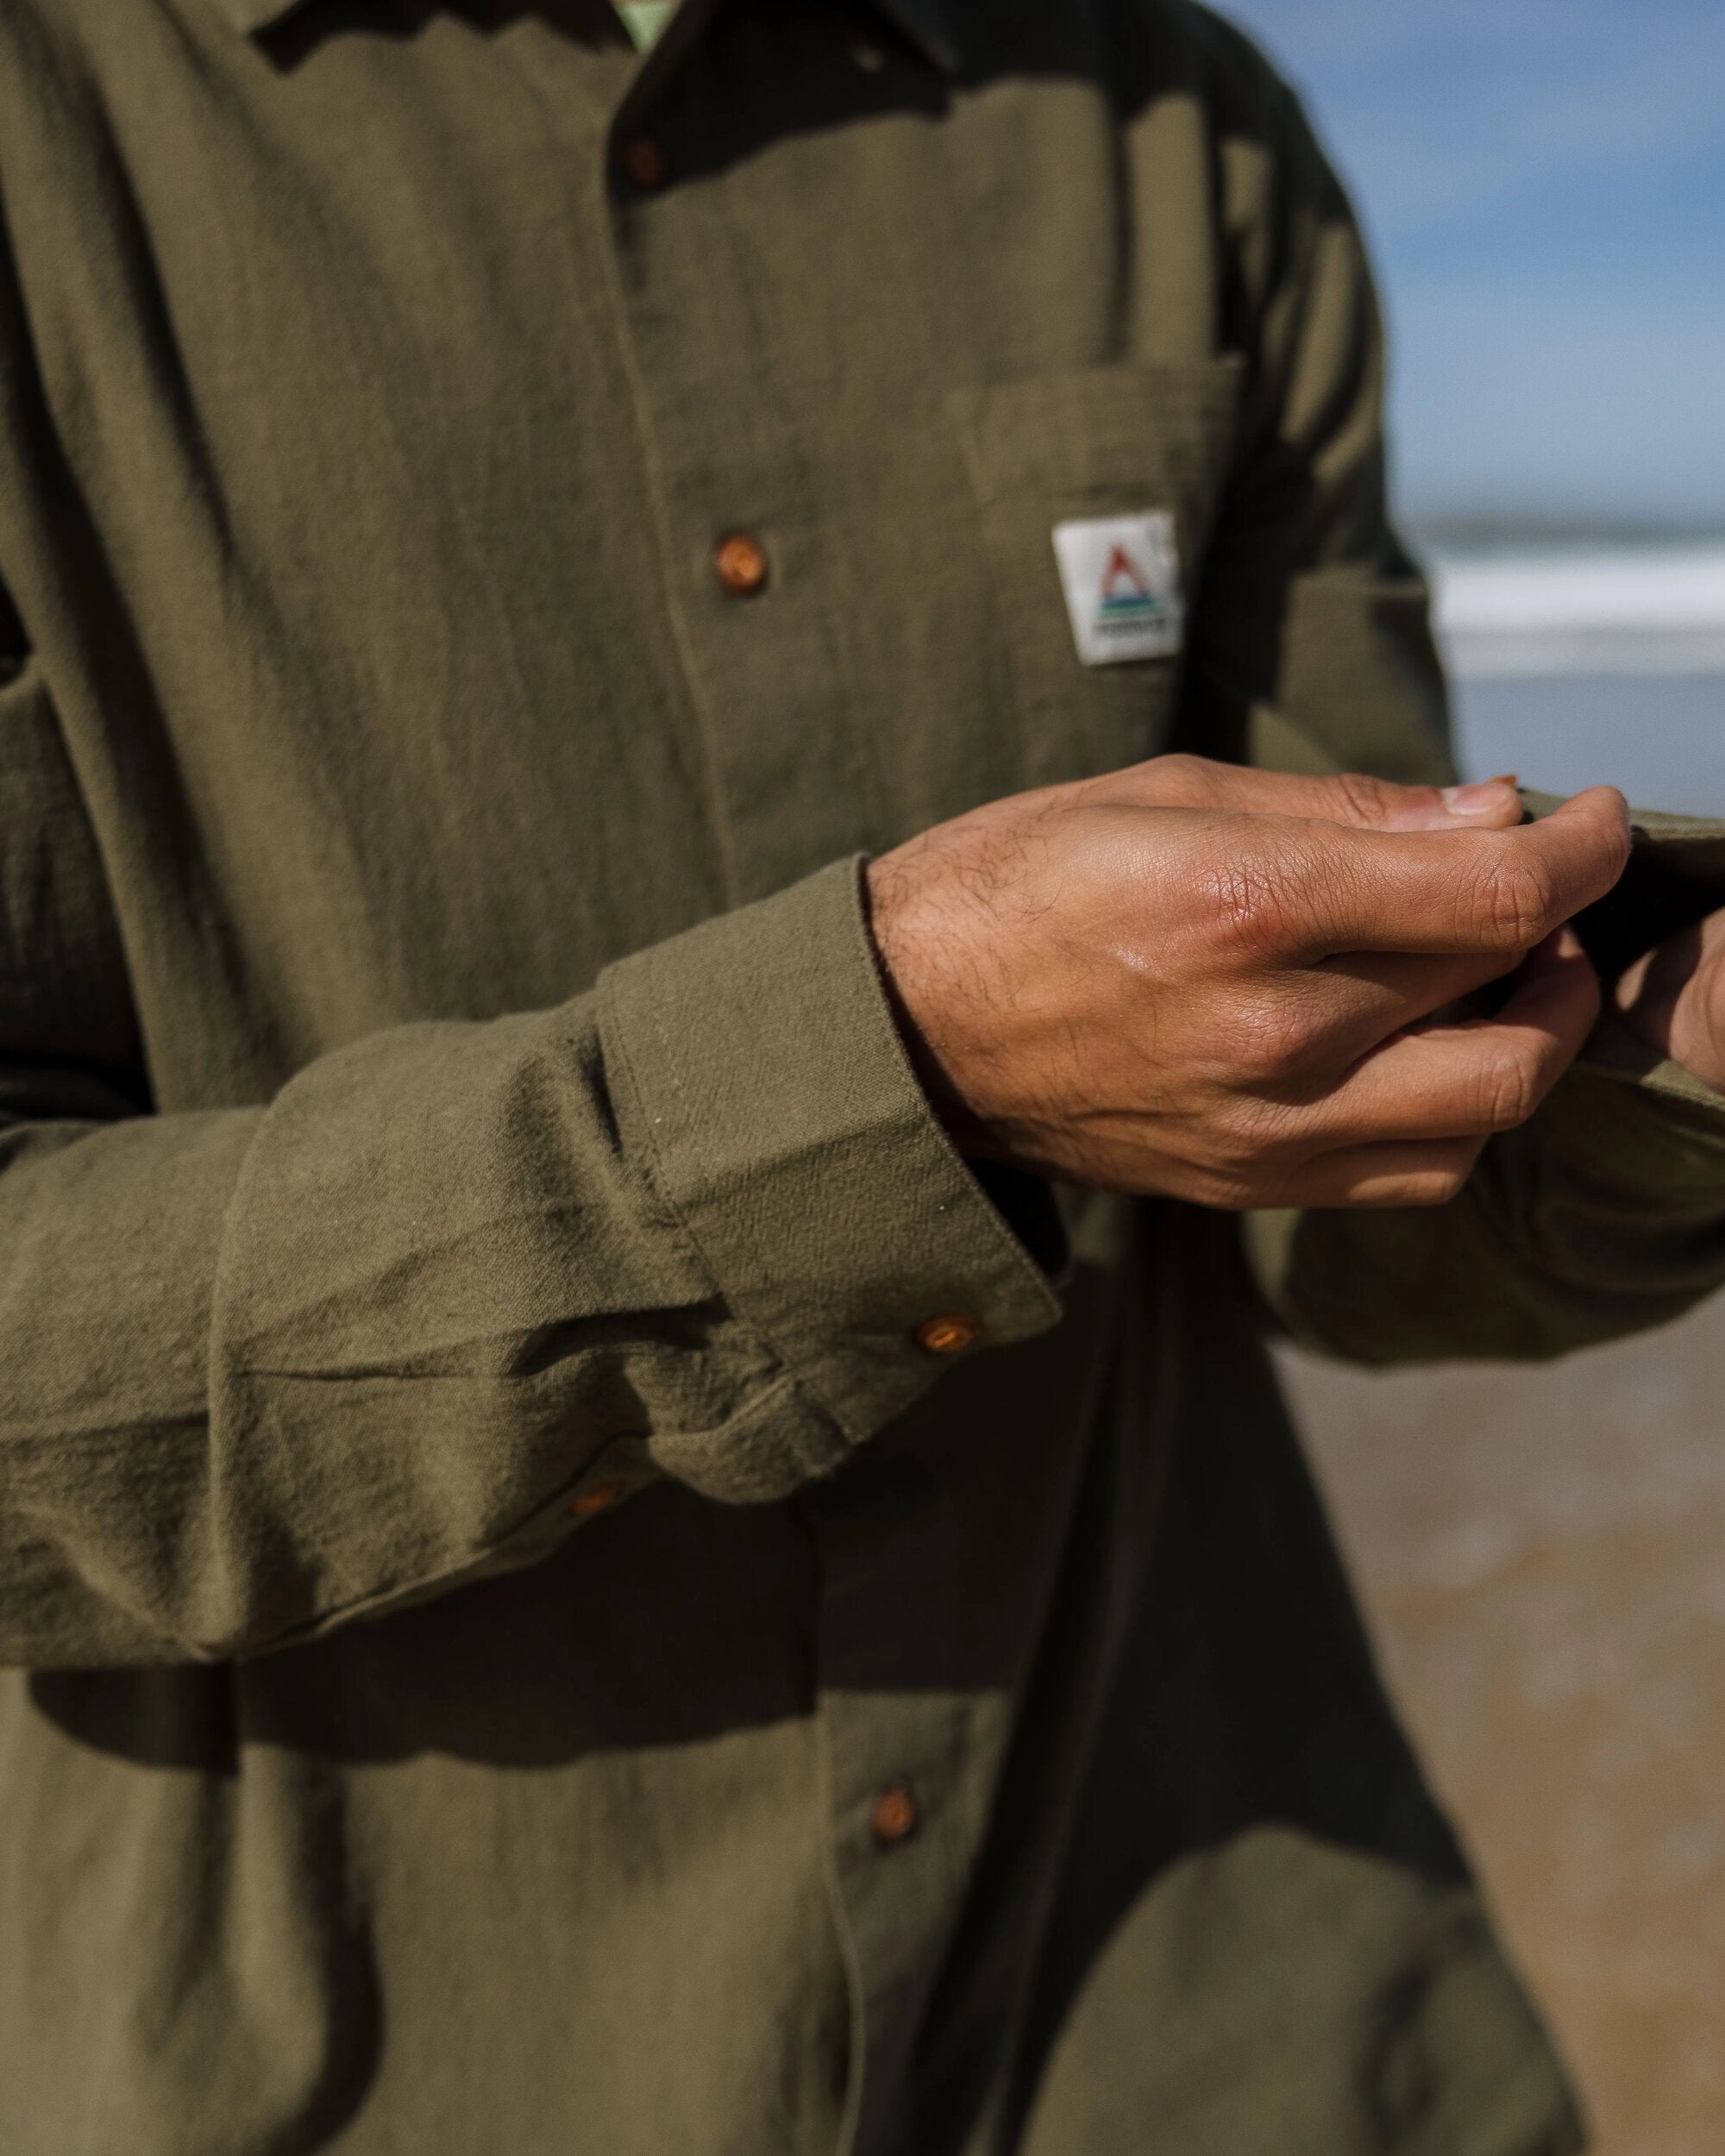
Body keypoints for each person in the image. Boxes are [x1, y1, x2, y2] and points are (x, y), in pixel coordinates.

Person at [3, 2, 1722, 2150]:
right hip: (383, 2056)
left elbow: (1373, 1212)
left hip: (1243, 2019)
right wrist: (873, 1077)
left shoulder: (1179, 121)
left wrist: (1681, 1043)